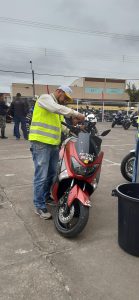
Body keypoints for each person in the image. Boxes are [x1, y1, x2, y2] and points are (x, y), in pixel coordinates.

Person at [29, 85, 85, 220]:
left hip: (54, 145)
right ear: (59, 91)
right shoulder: (45, 99)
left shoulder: (57, 109)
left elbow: (61, 127)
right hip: (40, 143)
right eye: (65, 97)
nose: (65, 100)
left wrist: (75, 131)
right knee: (41, 176)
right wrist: (75, 113)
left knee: (53, 174)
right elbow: (56, 108)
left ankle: (45, 197)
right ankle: (39, 205)